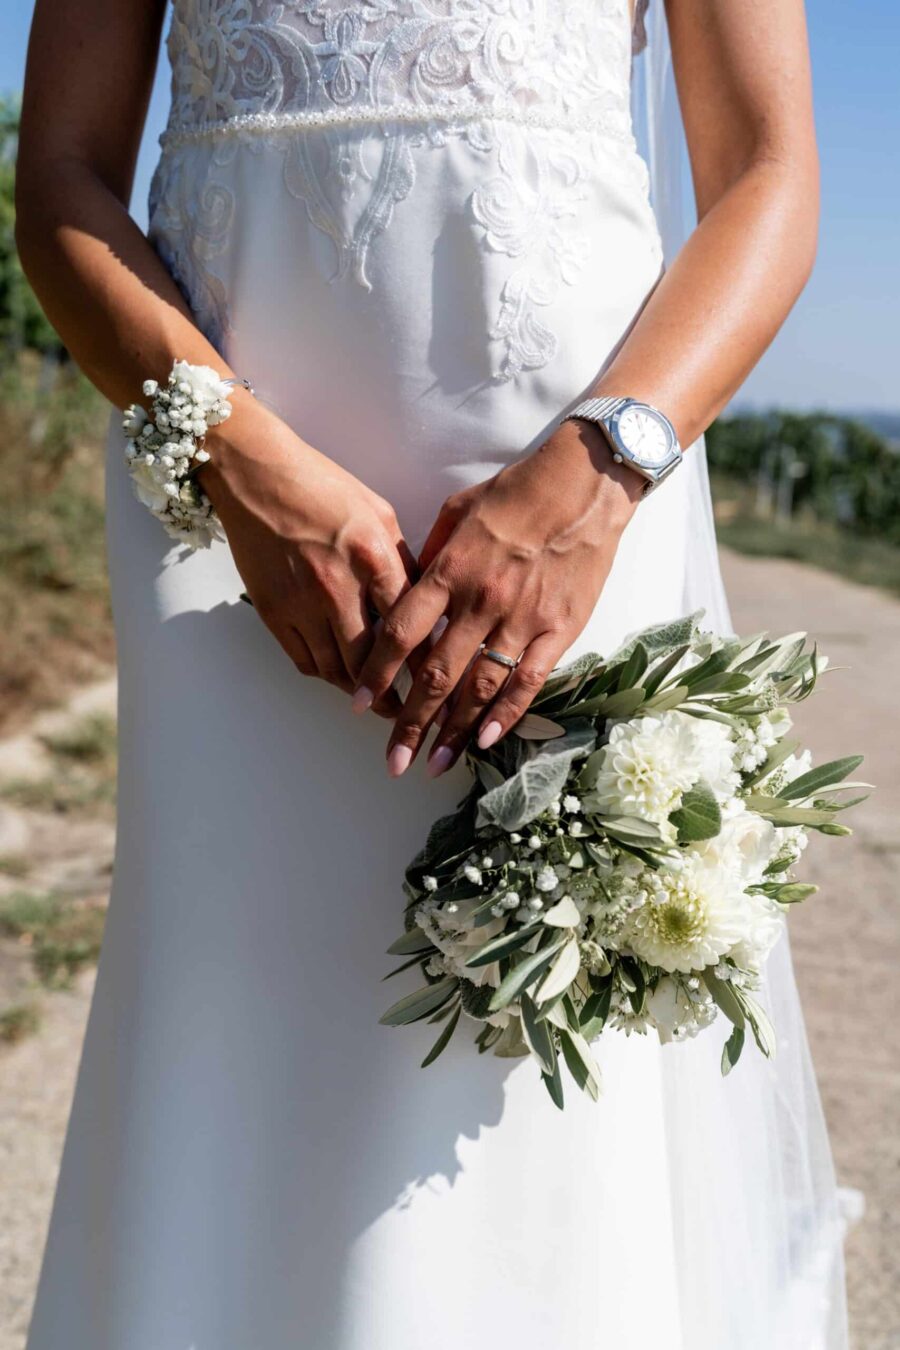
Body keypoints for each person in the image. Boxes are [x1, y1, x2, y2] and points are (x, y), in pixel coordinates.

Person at [16, 1, 849, 1345]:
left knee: (528, 1094)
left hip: (575, 508)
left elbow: (769, 170)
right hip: (225, 519)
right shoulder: (229, 489)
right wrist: (231, 455)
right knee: (233, 1028)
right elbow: (58, 173)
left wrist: (599, 473)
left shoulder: (586, 502)